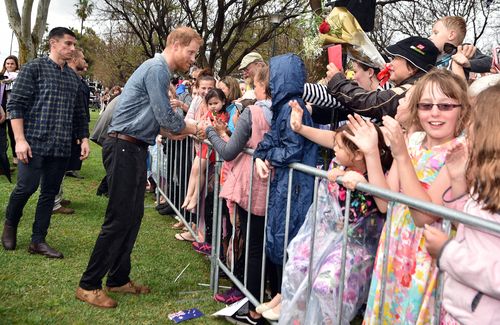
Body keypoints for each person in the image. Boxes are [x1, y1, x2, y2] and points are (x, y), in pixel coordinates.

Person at [76, 26, 203, 309]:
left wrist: (186, 128)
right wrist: (197, 127)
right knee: (118, 218)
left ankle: (118, 279)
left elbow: (163, 124)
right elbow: (168, 120)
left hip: (134, 147)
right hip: (124, 146)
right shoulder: (157, 69)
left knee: (132, 218)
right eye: (191, 52)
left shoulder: (159, 71)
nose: (194, 59)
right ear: (176, 45)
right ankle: (89, 284)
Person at [354, 69, 471, 324]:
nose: (435, 113)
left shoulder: (459, 152)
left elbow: (423, 215)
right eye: (426, 106)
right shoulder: (414, 140)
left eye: (445, 105)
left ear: (461, 109)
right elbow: (385, 202)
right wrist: (372, 151)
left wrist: (401, 155)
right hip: (395, 246)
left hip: (426, 256)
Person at [278, 103, 391, 324]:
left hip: (355, 248)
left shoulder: (378, 174)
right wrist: (300, 127)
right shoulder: (339, 164)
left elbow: (384, 204)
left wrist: (365, 182)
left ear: (359, 153)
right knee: (295, 268)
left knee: (325, 286)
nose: (334, 149)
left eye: (339, 147)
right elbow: (332, 138)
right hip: (325, 240)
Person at [1, 27, 90, 258]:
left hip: (60, 147)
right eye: (68, 44)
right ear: (53, 43)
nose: (72, 48)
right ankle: (10, 224)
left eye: (73, 44)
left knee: (49, 194)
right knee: (26, 187)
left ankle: (38, 241)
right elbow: (15, 106)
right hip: (33, 143)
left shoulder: (73, 78)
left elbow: (79, 114)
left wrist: (84, 139)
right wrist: (20, 140)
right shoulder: (34, 68)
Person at [199, 66, 272, 324]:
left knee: (250, 244)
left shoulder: (253, 112)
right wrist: (224, 133)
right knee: (262, 245)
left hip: (251, 187)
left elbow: (229, 151)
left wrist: (211, 133)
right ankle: (261, 301)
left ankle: (251, 305)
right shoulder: (286, 111)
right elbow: (244, 143)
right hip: (271, 187)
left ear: (262, 86)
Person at [423, 83, 500, 325]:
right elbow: (472, 223)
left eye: (475, 122)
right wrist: (457, 179)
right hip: (461, 309)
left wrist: (448, 252)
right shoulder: (487, 181)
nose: (468, 127)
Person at [253, 54, 318, 318]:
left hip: (297, 188)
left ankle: (288, 299)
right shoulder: (282, 108)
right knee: (279, 240)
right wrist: (260, 155)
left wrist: (267, 156)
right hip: (284, 185)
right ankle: (282, 294)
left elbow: (292, 149)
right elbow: (269, 140)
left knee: (290, 241)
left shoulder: (294, 107)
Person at [326, 36, 439, 121]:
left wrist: (338, 81)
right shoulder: (419, 85)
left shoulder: (414, 89)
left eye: (395, 58)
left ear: (412, 67)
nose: (389, 64)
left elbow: (373, 103)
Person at [52, 47, 91, 215]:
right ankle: (54, 203)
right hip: (67, 132)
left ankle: (57, 197)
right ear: (74, 60)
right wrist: (77, 133)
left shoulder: (76, 79)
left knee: (64, 167)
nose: (85, 61)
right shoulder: (69, 79)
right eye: (83, 58)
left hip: (74, 131)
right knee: (58, 168)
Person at [0, 55, 20, 167]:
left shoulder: (20, 76)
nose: (9, 65)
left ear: (16, 64)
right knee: (2, 136)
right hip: (2, 109)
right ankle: (3, 159)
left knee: (13, 135)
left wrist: (13, 79)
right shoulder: (1, 77)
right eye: (7, 63)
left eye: (12, 63)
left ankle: (16, 157)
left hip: (13, 111)